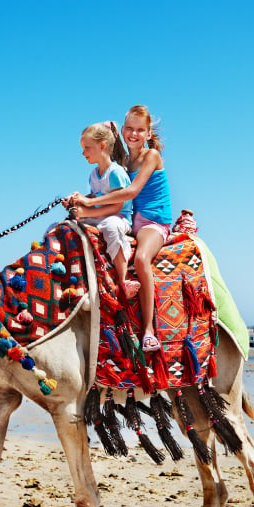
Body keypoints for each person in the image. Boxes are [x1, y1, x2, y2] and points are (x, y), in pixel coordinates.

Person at [69, 106, 172, 353]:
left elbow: (131, 191)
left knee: (142, 259)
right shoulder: (125, 161)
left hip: (152, 222)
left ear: (148, 133)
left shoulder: (151, 157)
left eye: (139, 130)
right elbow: (108, 189)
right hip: (131, 218)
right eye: (129, 128)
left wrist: (91, 203)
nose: (133, 134)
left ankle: (148, 330)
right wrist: (79, 199)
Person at [64, 121, 140, 299]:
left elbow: (117, 204)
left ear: (102, 146)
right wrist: (77, 201)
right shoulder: (93, 175)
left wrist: (86, 210)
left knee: (111, 227)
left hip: (118, 217)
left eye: (87, 148)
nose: (83, 153)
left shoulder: (116, 173)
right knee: (69, 226)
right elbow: (94, 196)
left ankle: (123, 280)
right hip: (99, 216)